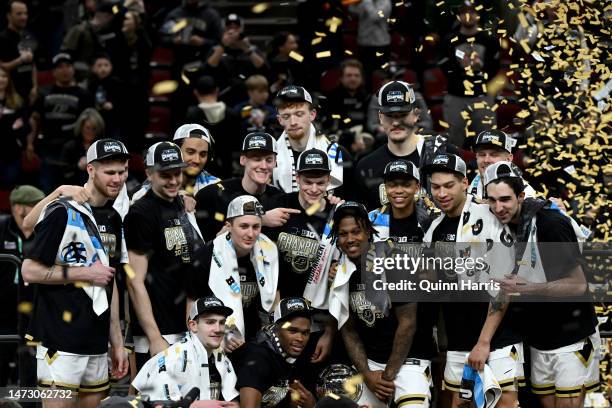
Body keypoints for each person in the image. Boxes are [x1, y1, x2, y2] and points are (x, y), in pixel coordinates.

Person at [21, 139, 130, 405]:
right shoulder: (63, 210)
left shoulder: (114, 217)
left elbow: (109, 282)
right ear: (91, 169)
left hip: (96, 340)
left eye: (122, 171)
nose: (117, 178)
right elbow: (29, 270)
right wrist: (84, 273)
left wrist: (116, 342)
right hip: (60, 338)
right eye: (110, 172)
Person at [484, 161, 600, 408]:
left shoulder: (550, 224)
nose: (498, 207)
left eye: (505, 199)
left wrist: (530, 289)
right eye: (492, 200)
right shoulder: (497, 228)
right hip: (538, 339)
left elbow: (578, 285)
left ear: (521, 196)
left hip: (571, 337)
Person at [421, 154, 522, 408]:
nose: (441, 193)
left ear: (465, 182)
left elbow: (503, 288)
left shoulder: (489, 217)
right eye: (435, 187)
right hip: (458, 339)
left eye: (448, 185)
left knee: (504, 404)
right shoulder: (433, 229)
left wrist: (483, 342)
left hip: (496, 339)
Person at [328, 201, 430, 407]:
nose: (350, 239)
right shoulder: (342, 274)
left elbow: (408, 323)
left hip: (409, 360)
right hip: (372, 365)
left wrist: (387, 376)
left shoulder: (395, 260)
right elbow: (348, 331)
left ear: (368, 231)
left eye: (356, 231)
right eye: (343, 234)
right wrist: (367, 374)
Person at [124, 141, 204, 370]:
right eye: (165, 175)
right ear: (149, 174)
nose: (173, 181)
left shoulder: (181, 203)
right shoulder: (141, 213)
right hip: (161, 331)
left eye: (177, 173)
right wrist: (154, 336)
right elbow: (134, 280)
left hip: (186, 326)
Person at [186, 195, 279, 349]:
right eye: (244, 226)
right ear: (229, 226)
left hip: (256, 340)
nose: (251, 234)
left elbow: (275, 299)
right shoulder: (205, 257)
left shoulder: (270, 251)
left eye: (256, 227)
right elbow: (192, 307)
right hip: (215, 339)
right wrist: (214, 340)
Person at [355, 80, 457, 210]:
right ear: (380, 117)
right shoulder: (366, 166)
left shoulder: (444, 153)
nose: (396, 122)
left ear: (416, 115)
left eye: (402, 115)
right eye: (389, 116)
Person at [132, 296, 239, 405]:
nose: (218, 329)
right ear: (193, 326)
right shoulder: (172, 360)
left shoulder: (222, 359)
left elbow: (233, 402)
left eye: (221, 323)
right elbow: (159, 406)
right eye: (210, 322)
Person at [194, 132, 292, 242]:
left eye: (269, 160)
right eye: (257, 159)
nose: (264, 166)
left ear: (275, 163)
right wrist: (262, 219)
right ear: (243, 160)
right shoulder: (213, 194)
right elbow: (200, 245)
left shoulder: (279, 198)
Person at [27, 52, 94, 192]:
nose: (65, 70)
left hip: (74, 151)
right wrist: (29, 144)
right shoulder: (43, 93)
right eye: (60, 67)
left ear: (73, 69)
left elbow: (91, 124)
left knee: (76, 191)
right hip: (49, 149)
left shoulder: (84, 95)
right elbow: (34, 119)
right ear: (54, 72)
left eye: (68, 66)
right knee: (48, 191)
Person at [234, 296, 317, 408]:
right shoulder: (257, 358)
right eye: (292, 331)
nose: (300, 339)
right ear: (276, 328)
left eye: (305, 333)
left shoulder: (289, 353)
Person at [0, 185, 44, 387]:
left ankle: (29, 402)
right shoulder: (2, 228)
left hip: (36, 306)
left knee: (31, 364)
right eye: (35, 205)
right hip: (5, 307)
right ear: (19, 208)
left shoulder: (44, 230)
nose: (41, 208)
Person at [440, 2, 500, 148]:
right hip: (456, 97)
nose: (468, 15)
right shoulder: (449, 40)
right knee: (454, 142)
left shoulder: (489, 39)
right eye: (464, 12)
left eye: (472, 12)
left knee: (487, 141)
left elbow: (495, 69)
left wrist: (481, 67)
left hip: (482, 96)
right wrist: (459, 66)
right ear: (459, 16)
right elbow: (443, 68)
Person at [273, 85, 348, 196]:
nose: (293, 122)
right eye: (286, 116)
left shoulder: (336, 153)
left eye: (299, 114)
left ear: (312, 114)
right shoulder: (269, 158)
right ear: (280, 120)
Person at [132, 123, 219, 201]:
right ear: (175, 151)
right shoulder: (141, 195)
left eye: (203, 154)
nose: (197, 160)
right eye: (190, 152)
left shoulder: (217, 188)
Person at [185, 75, 242, 177]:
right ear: (216, 91)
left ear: (196, 93)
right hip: (228, 170)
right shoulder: (232, 114)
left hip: (200, 170)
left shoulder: (192, 115)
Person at [205, 14, 266, 106]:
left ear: (241, 29)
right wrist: (223, 45)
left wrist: (246, 49)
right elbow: (209, 67)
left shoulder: (252, 48)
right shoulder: (216, 49)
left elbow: (263, 67)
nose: (233, 32)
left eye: (236, 28)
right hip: (222, 95)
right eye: (229, 28)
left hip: (248, 96)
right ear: (224, 30)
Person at [0, 0, 36, 104]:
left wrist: (35, 87)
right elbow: (2, 67)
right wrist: (21, 60)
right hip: (10, 94)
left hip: (29, 93)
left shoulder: (28, 37)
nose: (24, 17)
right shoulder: (2, 39)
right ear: (8, 16)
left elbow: (33, 64)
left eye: (25, 13)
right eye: (19, 14)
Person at [60, 108, 106, 186]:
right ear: (81, 127)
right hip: (74, 188)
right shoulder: (70, 147)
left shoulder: (103, 147)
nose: (90, 132)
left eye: (94, 129)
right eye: (87, 128)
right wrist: (78, 167)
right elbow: (62, 173)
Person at [323, 59, 370, 133]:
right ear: (341, 78)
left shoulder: (367, 97)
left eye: (356, 75)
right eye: (349, 75)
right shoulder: (331, 97)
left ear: (361, 79)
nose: (353, 79)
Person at [0, 65, 28, 189]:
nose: (1, 79)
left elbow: (22, 127)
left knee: (10, 187)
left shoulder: (17, 101)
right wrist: (10, 127)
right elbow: (13, 127)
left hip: (12, 153)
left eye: (4, 76)